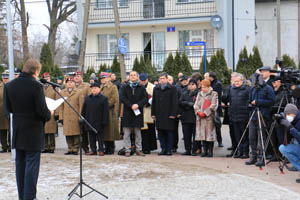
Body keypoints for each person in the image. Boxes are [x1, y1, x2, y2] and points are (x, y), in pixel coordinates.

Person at [4, 59, 51, 200]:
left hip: (18, 130)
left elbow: (8, 109)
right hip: (33, 132)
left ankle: (22, 196)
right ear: (36, 71)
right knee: (32, 165)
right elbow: (42, 111)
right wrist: (50, 113)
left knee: (20, 164)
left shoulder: (9, 86)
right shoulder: (36, 86)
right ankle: (29, 197)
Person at [246, 73, 275, 166]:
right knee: (251, 137)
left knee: (261, 137)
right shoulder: (253, 89)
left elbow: (272, 101)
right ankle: (253, 156)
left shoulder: (268, 89)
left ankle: (262, 157)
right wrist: (250, 104)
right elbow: (249, 100)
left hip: (263, 115)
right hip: (253, 115)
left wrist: (258, 102)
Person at [119, 71, 148, 157]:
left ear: (137, 77)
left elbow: (145, 98)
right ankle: (127, 150)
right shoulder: (124, 87)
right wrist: (131, 105)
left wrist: (138, 105)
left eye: (134, 75)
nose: (132, 77)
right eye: (131, 75)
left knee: (138, 133)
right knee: (127, 133)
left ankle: (139, 149)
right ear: (129, 77)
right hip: (127, 112)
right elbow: (122, 97)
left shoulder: (141, 87)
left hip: (137, 112)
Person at [152, 72, 178, 156]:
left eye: (163, 78)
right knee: (160, 132)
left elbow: (175, 102)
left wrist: (173, 113)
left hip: (169, 113)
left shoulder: (173, 88)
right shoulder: (156, 88)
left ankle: (169, 149)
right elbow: (154, 101)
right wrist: (153, 113)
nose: (162, 80)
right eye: (160, 79)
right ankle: (163, 148)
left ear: (167, 79)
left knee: (169, 132)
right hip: (159, 114)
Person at [81, 82, 109, 156]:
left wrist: (105, 121)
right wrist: (83, 119)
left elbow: (106, 111)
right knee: (91, 136)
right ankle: (93, 150)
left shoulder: (103, 98)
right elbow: (84, 110)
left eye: (95, 88)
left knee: (100, 136)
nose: (94, 90)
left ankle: (101, 150)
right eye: (92, 88)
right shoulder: (87, 98)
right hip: (89, 120)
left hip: (99, 121)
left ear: (99, 89)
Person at [59, 77, 84, 155]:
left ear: (74, 83)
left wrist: (80, 116)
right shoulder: (63, 92)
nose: (70, 83)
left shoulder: (79, 92)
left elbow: (81, 105)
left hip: (75, 116)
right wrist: (61, 117)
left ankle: (75, 149)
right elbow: (61, 106)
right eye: (68, 82)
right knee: (68, 133)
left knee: (76, 133)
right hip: (66, 116)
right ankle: (70, 148)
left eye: (71, 82)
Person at [228, 73, 251, 158]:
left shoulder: (247, 89)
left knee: (244, 136)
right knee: (237, 136)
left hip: (244, 116)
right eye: (235, 81)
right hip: (234, 116)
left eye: (238, 81)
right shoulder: (232, 89)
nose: (236, 83)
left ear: (242, 81)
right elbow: (230, 102)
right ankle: (239, 152)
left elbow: (249, 101)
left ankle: (245, 152)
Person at [194, 80, 218, 157]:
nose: (203, 89)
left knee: (209, 135)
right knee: (202, 135)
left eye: (204, 87)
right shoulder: (199, 94)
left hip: (209, 118)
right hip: (200, 118)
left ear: (208, 87)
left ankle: (210, 151)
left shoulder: (214, 94)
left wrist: (205, 113)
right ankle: (204, 151)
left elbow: (214, 105)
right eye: (202, 87)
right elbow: (196, 104)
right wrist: (198, 111)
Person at [278, 104, 300, 183]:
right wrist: (280, 126)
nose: (287, 116)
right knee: (282, 148)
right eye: (286, 114)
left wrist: (291, 128)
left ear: (294, 113)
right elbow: (283, 142)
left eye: (288, 114)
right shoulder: (293, 120)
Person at [99, 72, 120, 155]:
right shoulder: (100, 87)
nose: (103, 80)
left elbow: (114, 99)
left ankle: (111, 148)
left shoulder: (113, 87)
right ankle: (106, 146)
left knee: (110, 130)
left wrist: (105, 105)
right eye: (101, 78)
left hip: (110, 111)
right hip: (102, 112)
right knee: (104, 130)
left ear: (108, 78)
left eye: (104, 78)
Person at [179, 79, 199, 156]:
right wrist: (188, 103)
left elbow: (198, 103)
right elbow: (180, 102)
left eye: (193, 84)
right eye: (189, 84)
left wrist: (191, 105)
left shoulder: (199, 93)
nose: (191, 86)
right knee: (186, 135)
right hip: (185, 116)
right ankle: (187, 150)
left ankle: (194, 150)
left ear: (196, 85)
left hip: (195, 117)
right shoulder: (184, 93)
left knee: (195, 135)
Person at [139, 73, 157, 154]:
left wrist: (149, 103)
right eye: (141, 80)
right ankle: (143, 147)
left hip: (149, 110)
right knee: (143, 130)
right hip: (140, 110)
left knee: (150, 129)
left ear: (147, 79)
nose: (143, 82)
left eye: (144, 80)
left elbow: (155, 98)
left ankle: (150, 147)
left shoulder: (153, 87)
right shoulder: (138, 86)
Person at [73, 70, 91, 154]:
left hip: (84, 111)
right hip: (73, 111)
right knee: (75, 130)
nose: (76, 78)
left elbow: (90, 98)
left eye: (78, 76)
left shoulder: (86, 86)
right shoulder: (71, 86)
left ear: (81, 77)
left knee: (84, 131)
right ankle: (75, 148)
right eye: (75, 76)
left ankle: (86, 148)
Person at [42, 72, 58, 154]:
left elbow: (57, 100)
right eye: (45, 77)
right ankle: (45, 147)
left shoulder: (54, 88)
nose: (47, 78)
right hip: (43, 111)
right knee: (44, 131)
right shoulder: (41, 87)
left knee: (51, 131)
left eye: (48, 77)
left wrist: (56, 113)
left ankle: (51, 147)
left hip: (52, 110)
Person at [208, 72, 224, 147]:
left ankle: (219, 141)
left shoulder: (217, 84)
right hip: (210, 106)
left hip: (215, 107)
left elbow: (217, 96)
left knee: (217, 125)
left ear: (211, 77)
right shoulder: (211, 83)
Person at [0, 71, 10, 153]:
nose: (5, 80)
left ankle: (11, 146)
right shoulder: (0, 86)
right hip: (1, 112)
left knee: (11, 129)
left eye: (7, 78)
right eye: (4, 78)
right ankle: (4, 146)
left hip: (11, 110)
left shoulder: (12, 85)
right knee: (2, 130)